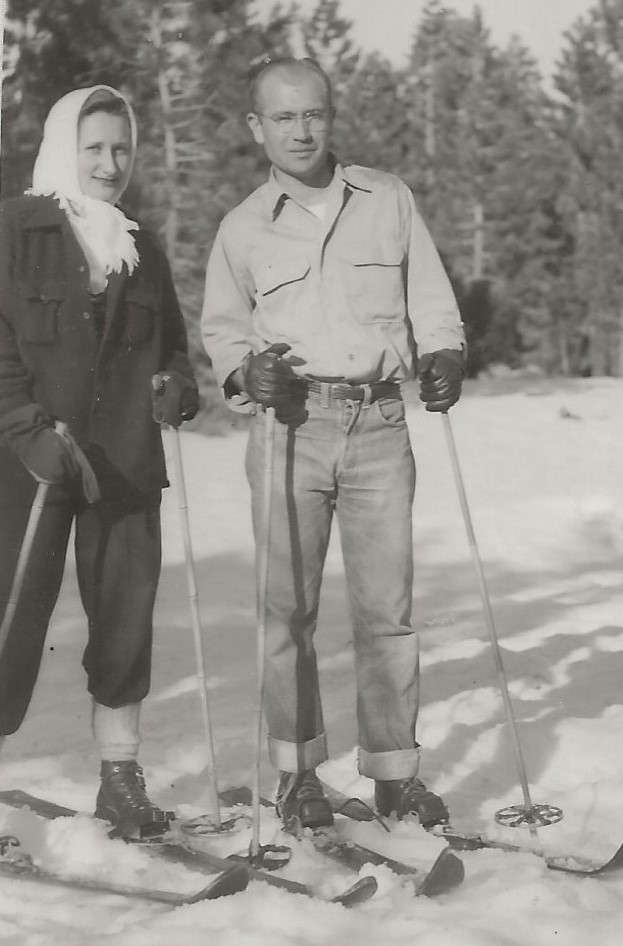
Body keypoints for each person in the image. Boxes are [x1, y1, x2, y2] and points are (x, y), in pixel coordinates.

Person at [202, 57, 465, 832]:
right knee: (288, 612)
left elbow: (433, 300)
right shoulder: (242, 226)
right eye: (282, 118)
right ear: (257, 127)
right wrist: (246, 375)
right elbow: (221, 332)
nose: (301, 129)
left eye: (312, 113)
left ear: (331, 114)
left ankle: (392, 776)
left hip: (380, 421)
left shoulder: (387, 199)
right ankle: (295, 777)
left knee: (388, 612)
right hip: (291, 428)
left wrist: (444, 356)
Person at [0, 86, 200, 839]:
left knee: (124, 620)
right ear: (63, 148)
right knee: (10, 621)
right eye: (94, 148)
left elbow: (175, 347)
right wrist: (25, 429)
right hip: (27, 463)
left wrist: (176, 387)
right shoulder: (16, 226)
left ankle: (120, 779)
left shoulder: (138, 247)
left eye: (121, 148)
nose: (110, 163)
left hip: (122, 460)